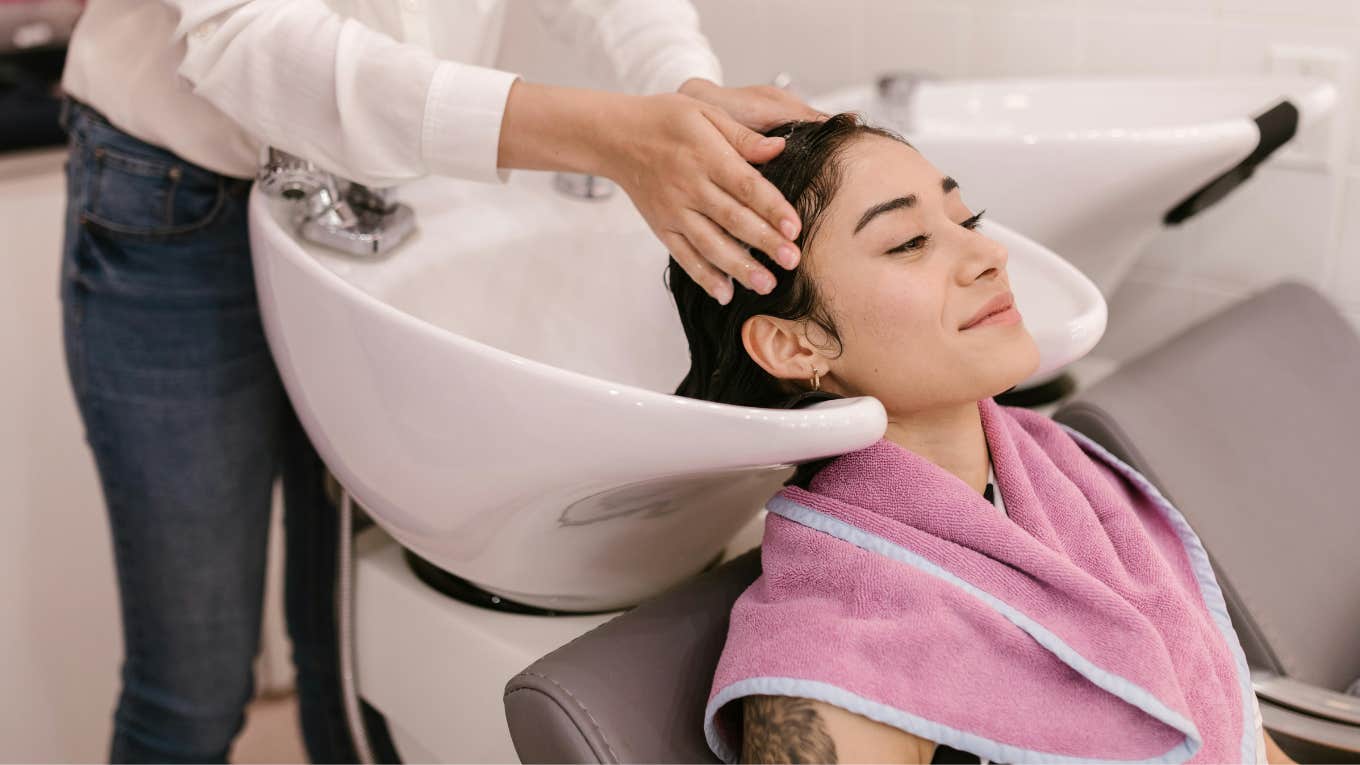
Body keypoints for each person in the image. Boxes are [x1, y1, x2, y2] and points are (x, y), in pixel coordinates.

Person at [58, 1, 822, 761]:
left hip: (387, 182)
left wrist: (682, 86)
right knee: (192, 691)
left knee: (351, 649)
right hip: (179, 202)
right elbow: (246, 37)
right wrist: (605, 135)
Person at [667, 115, 1298, 765]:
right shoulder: (831, 660)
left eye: (965, 222)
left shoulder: (1068, 482)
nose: (989, 254)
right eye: (909, 241)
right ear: (797, 344)